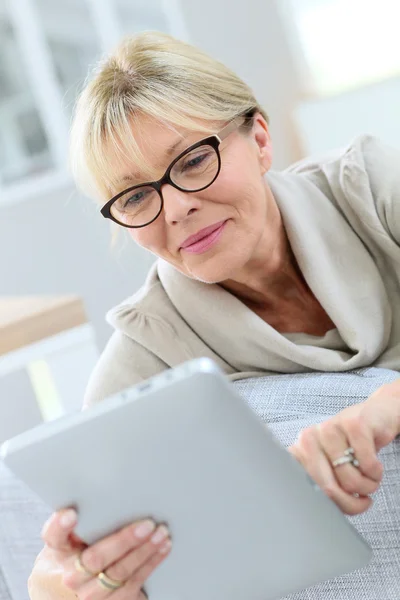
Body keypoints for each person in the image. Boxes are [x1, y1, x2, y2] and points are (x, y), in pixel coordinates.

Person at [28, 31, 400, 600]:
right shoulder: (146, 354)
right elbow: (61, 561)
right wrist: (67, 585)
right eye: (133, 199)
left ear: (260, 138)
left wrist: (380, 410)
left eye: (195, 159)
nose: (176, 207)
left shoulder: (372, 188)